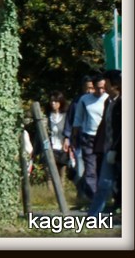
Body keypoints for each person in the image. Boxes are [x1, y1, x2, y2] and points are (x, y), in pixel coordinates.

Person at [71, 70, 108, 203]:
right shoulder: (85, 100)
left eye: (103, 88)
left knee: (103, 168)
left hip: (104, 137)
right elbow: (78, 119)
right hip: (89, 137)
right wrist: (74, 137)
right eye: (97, 88)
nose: (100, 91)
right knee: (90, 169)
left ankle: (106, 197)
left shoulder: (108, 99)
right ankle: (94, 199)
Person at [87, 69, 121, 215]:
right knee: (103, 184)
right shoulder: (109, 101)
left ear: (114, 84)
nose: (104, 86)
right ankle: (93, 216)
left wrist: (116, 148)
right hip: (109, 149)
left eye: (106, 82)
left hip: (120, 150)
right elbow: (105, 125)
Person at [42, 91, 69, 181]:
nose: (53, 103)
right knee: (49, 172)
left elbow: (69, 131)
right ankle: (49, 193)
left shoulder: (66, 116)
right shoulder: (47, 116)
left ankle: (61, 193)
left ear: (61, 102)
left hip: (62, 147)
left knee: (62, 174)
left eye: (56, 101)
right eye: (51, 101)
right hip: (50, 146)